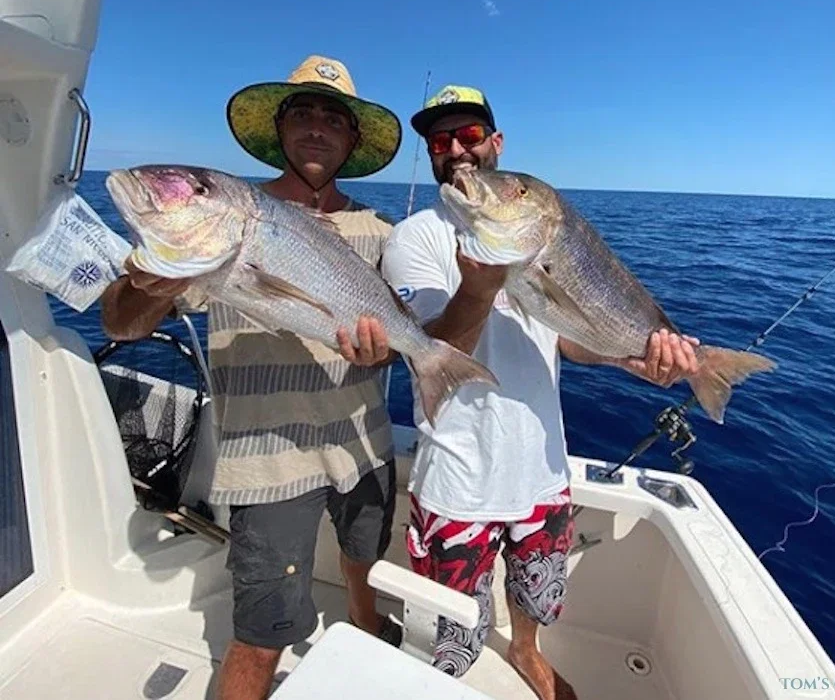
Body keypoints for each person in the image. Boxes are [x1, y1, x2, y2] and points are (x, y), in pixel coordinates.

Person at [377, 85, 700, 700]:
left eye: (470, 135)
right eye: (441, 141)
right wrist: (478, 289)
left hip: (544, 472)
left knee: (535, 598)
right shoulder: (414, 238)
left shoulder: (530, 232)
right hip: (458, 481)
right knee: (451, 638)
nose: (457, 150)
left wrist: (636, 360)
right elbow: (430, 350)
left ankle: (525, 650)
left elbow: (570, 339)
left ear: (496, 143)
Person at [100, 56, 404, 700]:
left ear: (352, 139)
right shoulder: (220, 224)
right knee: (261, 636)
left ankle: (364, 618)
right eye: (303, 113)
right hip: (266, 463)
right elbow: (122, 324)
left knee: (363, 557)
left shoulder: (382, 232)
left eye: (333, 119)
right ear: (280, 129)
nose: (317, 128)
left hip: (364, 443)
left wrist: (386, 354)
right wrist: (151, 283)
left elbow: (396, 343)